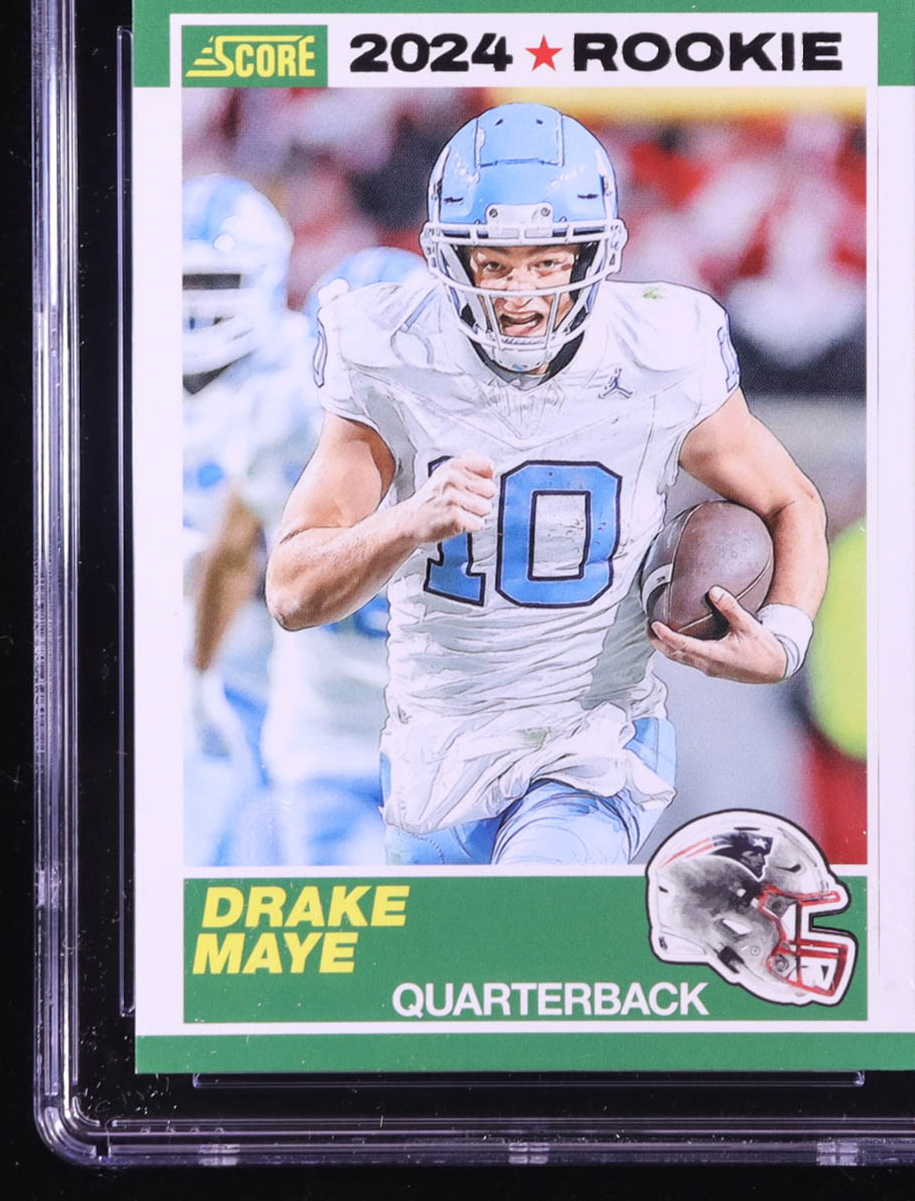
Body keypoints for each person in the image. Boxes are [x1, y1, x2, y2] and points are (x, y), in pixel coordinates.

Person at [266, 105, 828, 867]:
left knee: (532, 904)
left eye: (547, 262)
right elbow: (292, 592)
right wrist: (405, 523)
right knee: (445, 946)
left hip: (589, 741)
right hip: (436, 750)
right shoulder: (394, 354)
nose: (519, 294)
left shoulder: (658, 351)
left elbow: (791, 499)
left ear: (593, 253)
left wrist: (785, 638)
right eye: (493, 264)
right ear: (449, 257)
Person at [261, 247, 430, 867]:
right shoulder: (282, 428)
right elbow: (232, 549)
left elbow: (229, 549)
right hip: (330, 739)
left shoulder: (278, 427)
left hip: (440, 740)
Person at [182, 174, 318, 864]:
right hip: (184, 661)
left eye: (216, 282)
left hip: (290, 661)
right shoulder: (113, 364)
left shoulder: (305, 373)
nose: (196, 308)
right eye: (183, 284)